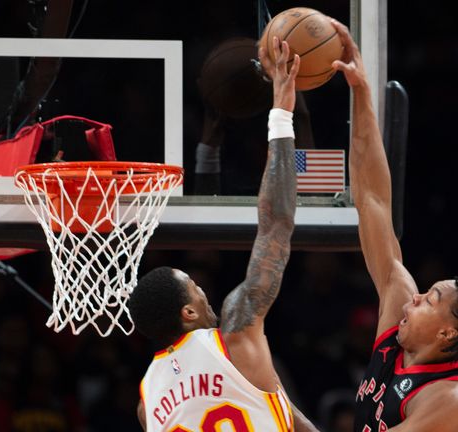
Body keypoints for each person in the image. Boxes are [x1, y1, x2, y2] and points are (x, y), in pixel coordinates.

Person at [129, 36, 318, 432]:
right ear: (189, 312)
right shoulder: (235, 330)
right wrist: (283, 115)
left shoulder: (147, 399)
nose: (205, 293)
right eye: (196, 288)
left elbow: (276, 408)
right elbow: (276, 224)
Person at [328, 19, 458, 432]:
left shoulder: (452, 399)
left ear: (446, 335)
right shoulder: (398, 317)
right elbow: (371, 198)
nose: (414, 297)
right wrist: (361, 96)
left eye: (429, 298)